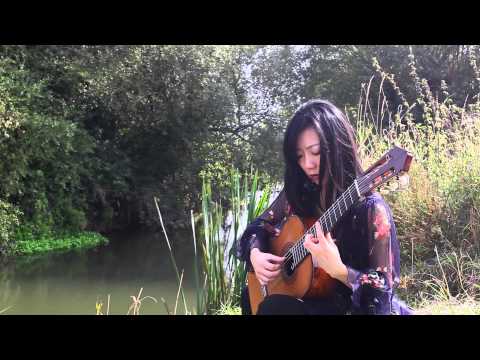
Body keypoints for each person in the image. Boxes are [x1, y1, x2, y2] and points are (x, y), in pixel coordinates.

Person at [235, 99, 413, 315]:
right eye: (299, 156)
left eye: (316, 151)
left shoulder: (371, 209)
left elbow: (382, 292)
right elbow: (258, 226)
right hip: (316, 303)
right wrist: (255, 253)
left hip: (351, 309)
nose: (307, 164)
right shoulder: (298, 195)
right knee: (250, 298)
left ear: (337, 145)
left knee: (274, 308)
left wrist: (339, 270)